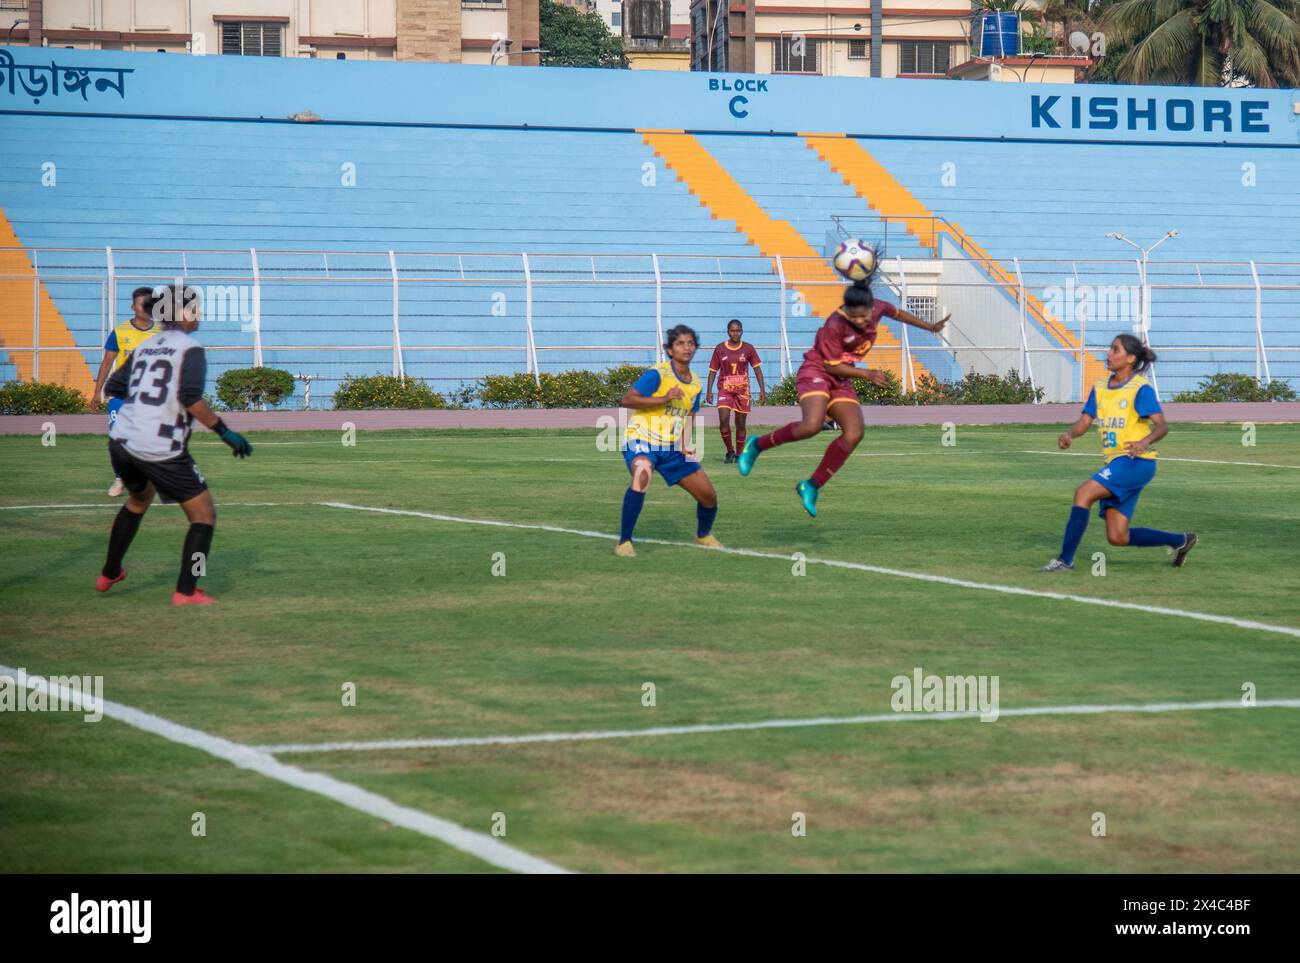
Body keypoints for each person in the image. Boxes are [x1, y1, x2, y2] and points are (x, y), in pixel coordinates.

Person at [96, 285, 253, 605]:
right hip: (160, 447)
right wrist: (225, 433)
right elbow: (190, 399)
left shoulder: (145, 345)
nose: (200, 315)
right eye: (195, 309)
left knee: (139, 501)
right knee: (204, 517)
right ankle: (186, 590)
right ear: (181, 313)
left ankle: (110, 571)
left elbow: (114, 386)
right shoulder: (189, 348)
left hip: (122, 441)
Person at [737, 281, 947, 517]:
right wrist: (867, 373)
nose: (860, 321)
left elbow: (897, 313)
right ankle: (756, 445)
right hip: (817, 371)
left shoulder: (878, 307)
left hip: (841, 378)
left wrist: (930, 327)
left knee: (855, 432)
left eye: (864, 316)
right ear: (846, 311)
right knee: (812, 425)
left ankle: (812, 485)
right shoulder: (834, 325)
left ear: (871, 307)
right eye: (854, 317)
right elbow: (831, 365)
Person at [1041, 334, 1197, 571]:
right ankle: (1181, 540)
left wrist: (1144, 442)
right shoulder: (1101, 386)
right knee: (1117, 537)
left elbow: (1162, 426)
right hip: (1117, 464)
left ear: (1131, 358)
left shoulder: (1140, 388)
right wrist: (1070, 435)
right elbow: (1085, 420)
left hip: (1136, 462)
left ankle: (1065, 560)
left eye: (1115, 350)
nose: (1108, 354)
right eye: (1110, 349)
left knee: (1083, 493)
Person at [615, 325, 720, 557]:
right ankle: (624, 542)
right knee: (643, 472)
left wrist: (684, 444)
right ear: (670, 350)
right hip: (641, 440)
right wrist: (664, 398)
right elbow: (628, 399)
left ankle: (703, 535)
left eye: (691, 343)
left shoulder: (695, 384)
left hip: (671, 448)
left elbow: (690, 414)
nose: (687, 347)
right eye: (681, 343)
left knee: (708, 496)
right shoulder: (658, 374)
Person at [91, 287, 158, 496]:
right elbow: (106, 364)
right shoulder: (120, 332)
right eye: (142, 304)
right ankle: (120, 478)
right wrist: (96, 393)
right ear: (133, 307)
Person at [705, 319, 766, 463]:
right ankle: (730, 451)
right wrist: (709, 390)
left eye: (738, 330)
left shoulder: (749, 349)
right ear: (728, 332)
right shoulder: (720, 348)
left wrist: (762, 390)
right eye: (732, 330)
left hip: (742, 391)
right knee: (723, 420)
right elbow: (713, 371)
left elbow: (757, 370)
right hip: (724, 390)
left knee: (740, 424)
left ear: (742, 331)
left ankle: (739, 454)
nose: (735, 333)